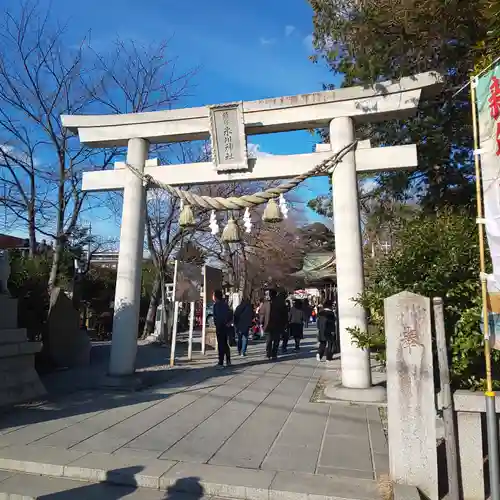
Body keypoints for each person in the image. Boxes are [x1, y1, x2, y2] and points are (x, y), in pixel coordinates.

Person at [261, 289, 288, 361]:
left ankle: (271, 354)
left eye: (269, 294)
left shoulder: (279, 303)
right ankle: (271, 354)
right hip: (272, 324)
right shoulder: (266, 303)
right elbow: (262, 314)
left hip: (275, 324)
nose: (269, 296)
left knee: (272, 340)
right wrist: (261, 322)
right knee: (272, 340)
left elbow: (285, 314)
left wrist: (261, 322)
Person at [213, 290, 232, 368]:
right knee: (225, 343)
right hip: (225, 326)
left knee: (221, 344)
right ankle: (228, 360)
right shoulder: (225, 304)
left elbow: (217, 317)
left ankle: (221, 362)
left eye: (213, 295)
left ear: (216, 297)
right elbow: (230, 314)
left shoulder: (216, 305)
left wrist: (217, 324)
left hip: (220, 327)